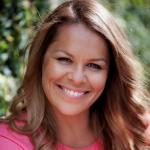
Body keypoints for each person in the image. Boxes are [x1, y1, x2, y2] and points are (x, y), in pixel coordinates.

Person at [0, 0, 150, 149]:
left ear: (110, 74)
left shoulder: (131, 133)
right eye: (64, 59)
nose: (77, 78)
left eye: (94, 66)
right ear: (41, 60)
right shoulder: (8, 143)